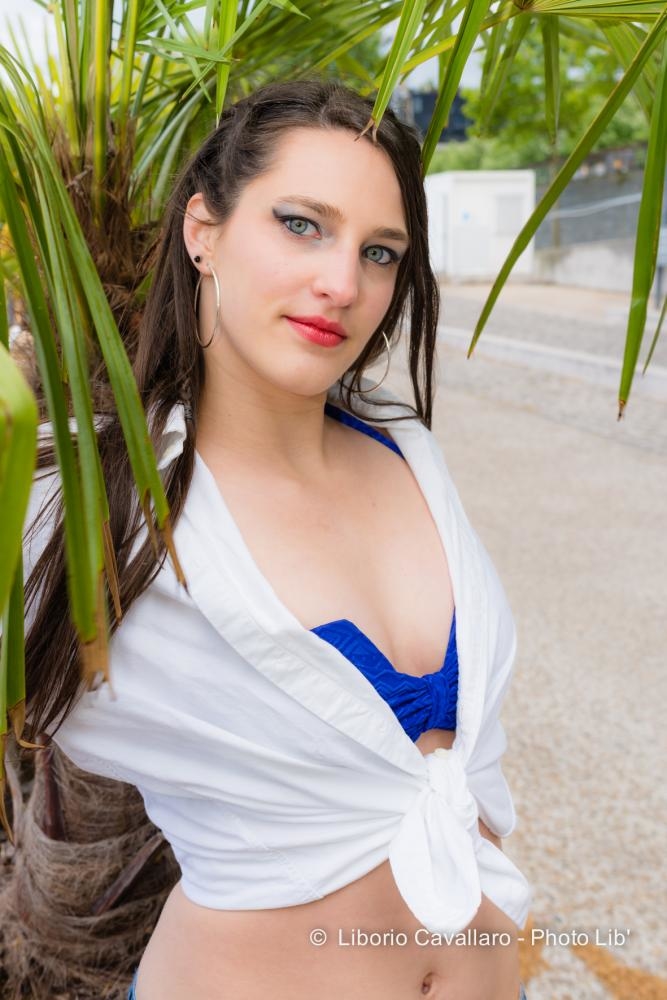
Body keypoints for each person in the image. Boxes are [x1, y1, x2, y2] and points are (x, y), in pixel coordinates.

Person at [21, 78, 532, 1000]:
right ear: (202, 231)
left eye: (379, 252)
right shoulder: (91, 501)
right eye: (301, 224)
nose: (343, 284)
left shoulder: (409, 455)